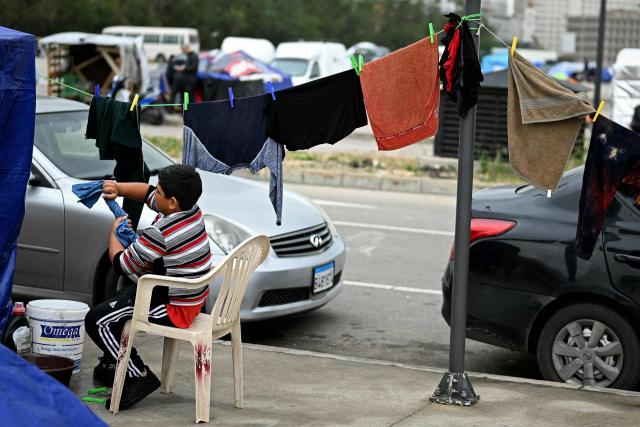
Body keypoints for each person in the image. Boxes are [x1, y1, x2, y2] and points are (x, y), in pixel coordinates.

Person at [85, 164, 212, 409]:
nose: (156, 196)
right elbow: (147, 193)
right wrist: (118, 188)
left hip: (175, 308)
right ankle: (114, 363)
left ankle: (137, 374)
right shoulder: (192, 210)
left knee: (97, 320)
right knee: (117, 303)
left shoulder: (161, 231)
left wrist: (114, 235)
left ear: (172, 202)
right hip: (189, 296)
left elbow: (122, 265)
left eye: (161, 193)